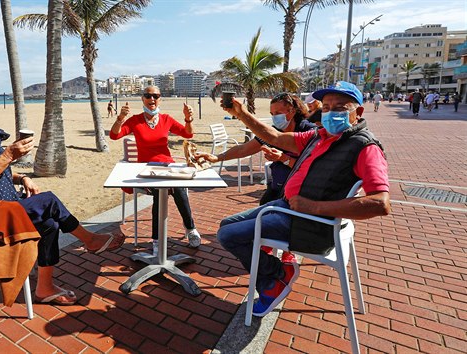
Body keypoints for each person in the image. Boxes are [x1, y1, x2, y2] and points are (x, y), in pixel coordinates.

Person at [0, 80, 125, 306]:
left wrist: (22, 177)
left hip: (10, 206)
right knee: (49, 200)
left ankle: (45, 288)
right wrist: (8, 155)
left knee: (50, 223)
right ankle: (90, 240)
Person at [216, 81, 390, 317]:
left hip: (307, 224)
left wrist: (314, 206)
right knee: (226, 225)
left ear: (358, 112)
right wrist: (241, 113)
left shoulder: (365, 147)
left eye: (340, 107)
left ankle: (275, 278)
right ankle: (276, 273)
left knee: (227, 235)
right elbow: (275, 137)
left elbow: (380, 203)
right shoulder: (319, 136)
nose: (330, 113)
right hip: (287, 209)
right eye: (326, 107)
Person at [195, 93, 316, 264]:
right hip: (277, 188)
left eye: (278, 113)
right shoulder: (274, 132)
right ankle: (266, 245)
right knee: (261, 211)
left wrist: (283, 158)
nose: (275, 117)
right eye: (272, 114)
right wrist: (217, 158)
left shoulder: (308, 131)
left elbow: (313, 168)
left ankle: (289, 254)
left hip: (300, 194)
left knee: (280, 223)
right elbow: (244, 149)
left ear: (292, 110)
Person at [109, 85, 201, 255]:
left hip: (168, 167)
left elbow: (188, 135)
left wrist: (188, 120)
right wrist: (121, 118)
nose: (152, 99)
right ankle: (163, 237)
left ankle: (185, 230)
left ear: (160, 99)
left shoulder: (166, 119)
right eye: (148, 95)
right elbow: (115, 135)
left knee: (176, 189)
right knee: (161, 192)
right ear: (142, 98)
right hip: (146, 170)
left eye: (156, 96)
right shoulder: (135, 120)